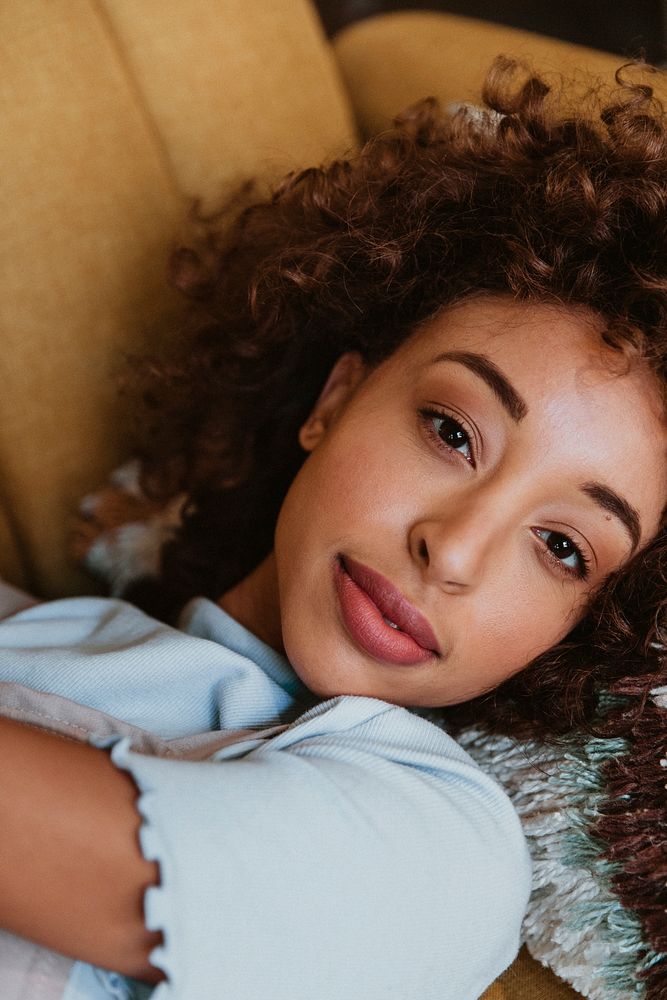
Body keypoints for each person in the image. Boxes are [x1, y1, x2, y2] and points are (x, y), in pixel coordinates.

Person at [1, 56, 666, 1000]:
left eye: (562, 547)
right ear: (336, 398)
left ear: (586, 625)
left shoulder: (445, 844)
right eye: (452, 432)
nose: (457, 547)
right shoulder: (47, 626)